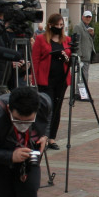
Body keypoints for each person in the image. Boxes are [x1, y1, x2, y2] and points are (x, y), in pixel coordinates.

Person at [31, 13, 71, 150]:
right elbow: (35, 59)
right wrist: (33, 77)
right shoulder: (41, 39)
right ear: (50, 25)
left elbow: (70, 59)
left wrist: (66, 57)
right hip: (46, 79)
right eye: (57, 25)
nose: (59, 27)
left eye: (61, 25)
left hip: (61, 79)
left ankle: (52, 137)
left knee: (57, 108)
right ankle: (43, 136)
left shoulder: (66, 40)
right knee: (47, 107)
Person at [73, 10, 96, 82]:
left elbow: (90, 41)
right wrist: (79, 54)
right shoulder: (78, 27)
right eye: (86, 17)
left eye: (89, 17)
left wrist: (92, 35)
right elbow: (77, 42)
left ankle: (83, 91)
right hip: (82, 56)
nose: (88, 18)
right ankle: (80, 92)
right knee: (82, 76)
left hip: (87, 55)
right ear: (82, 17)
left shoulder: (88, 28)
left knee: (85, 75)